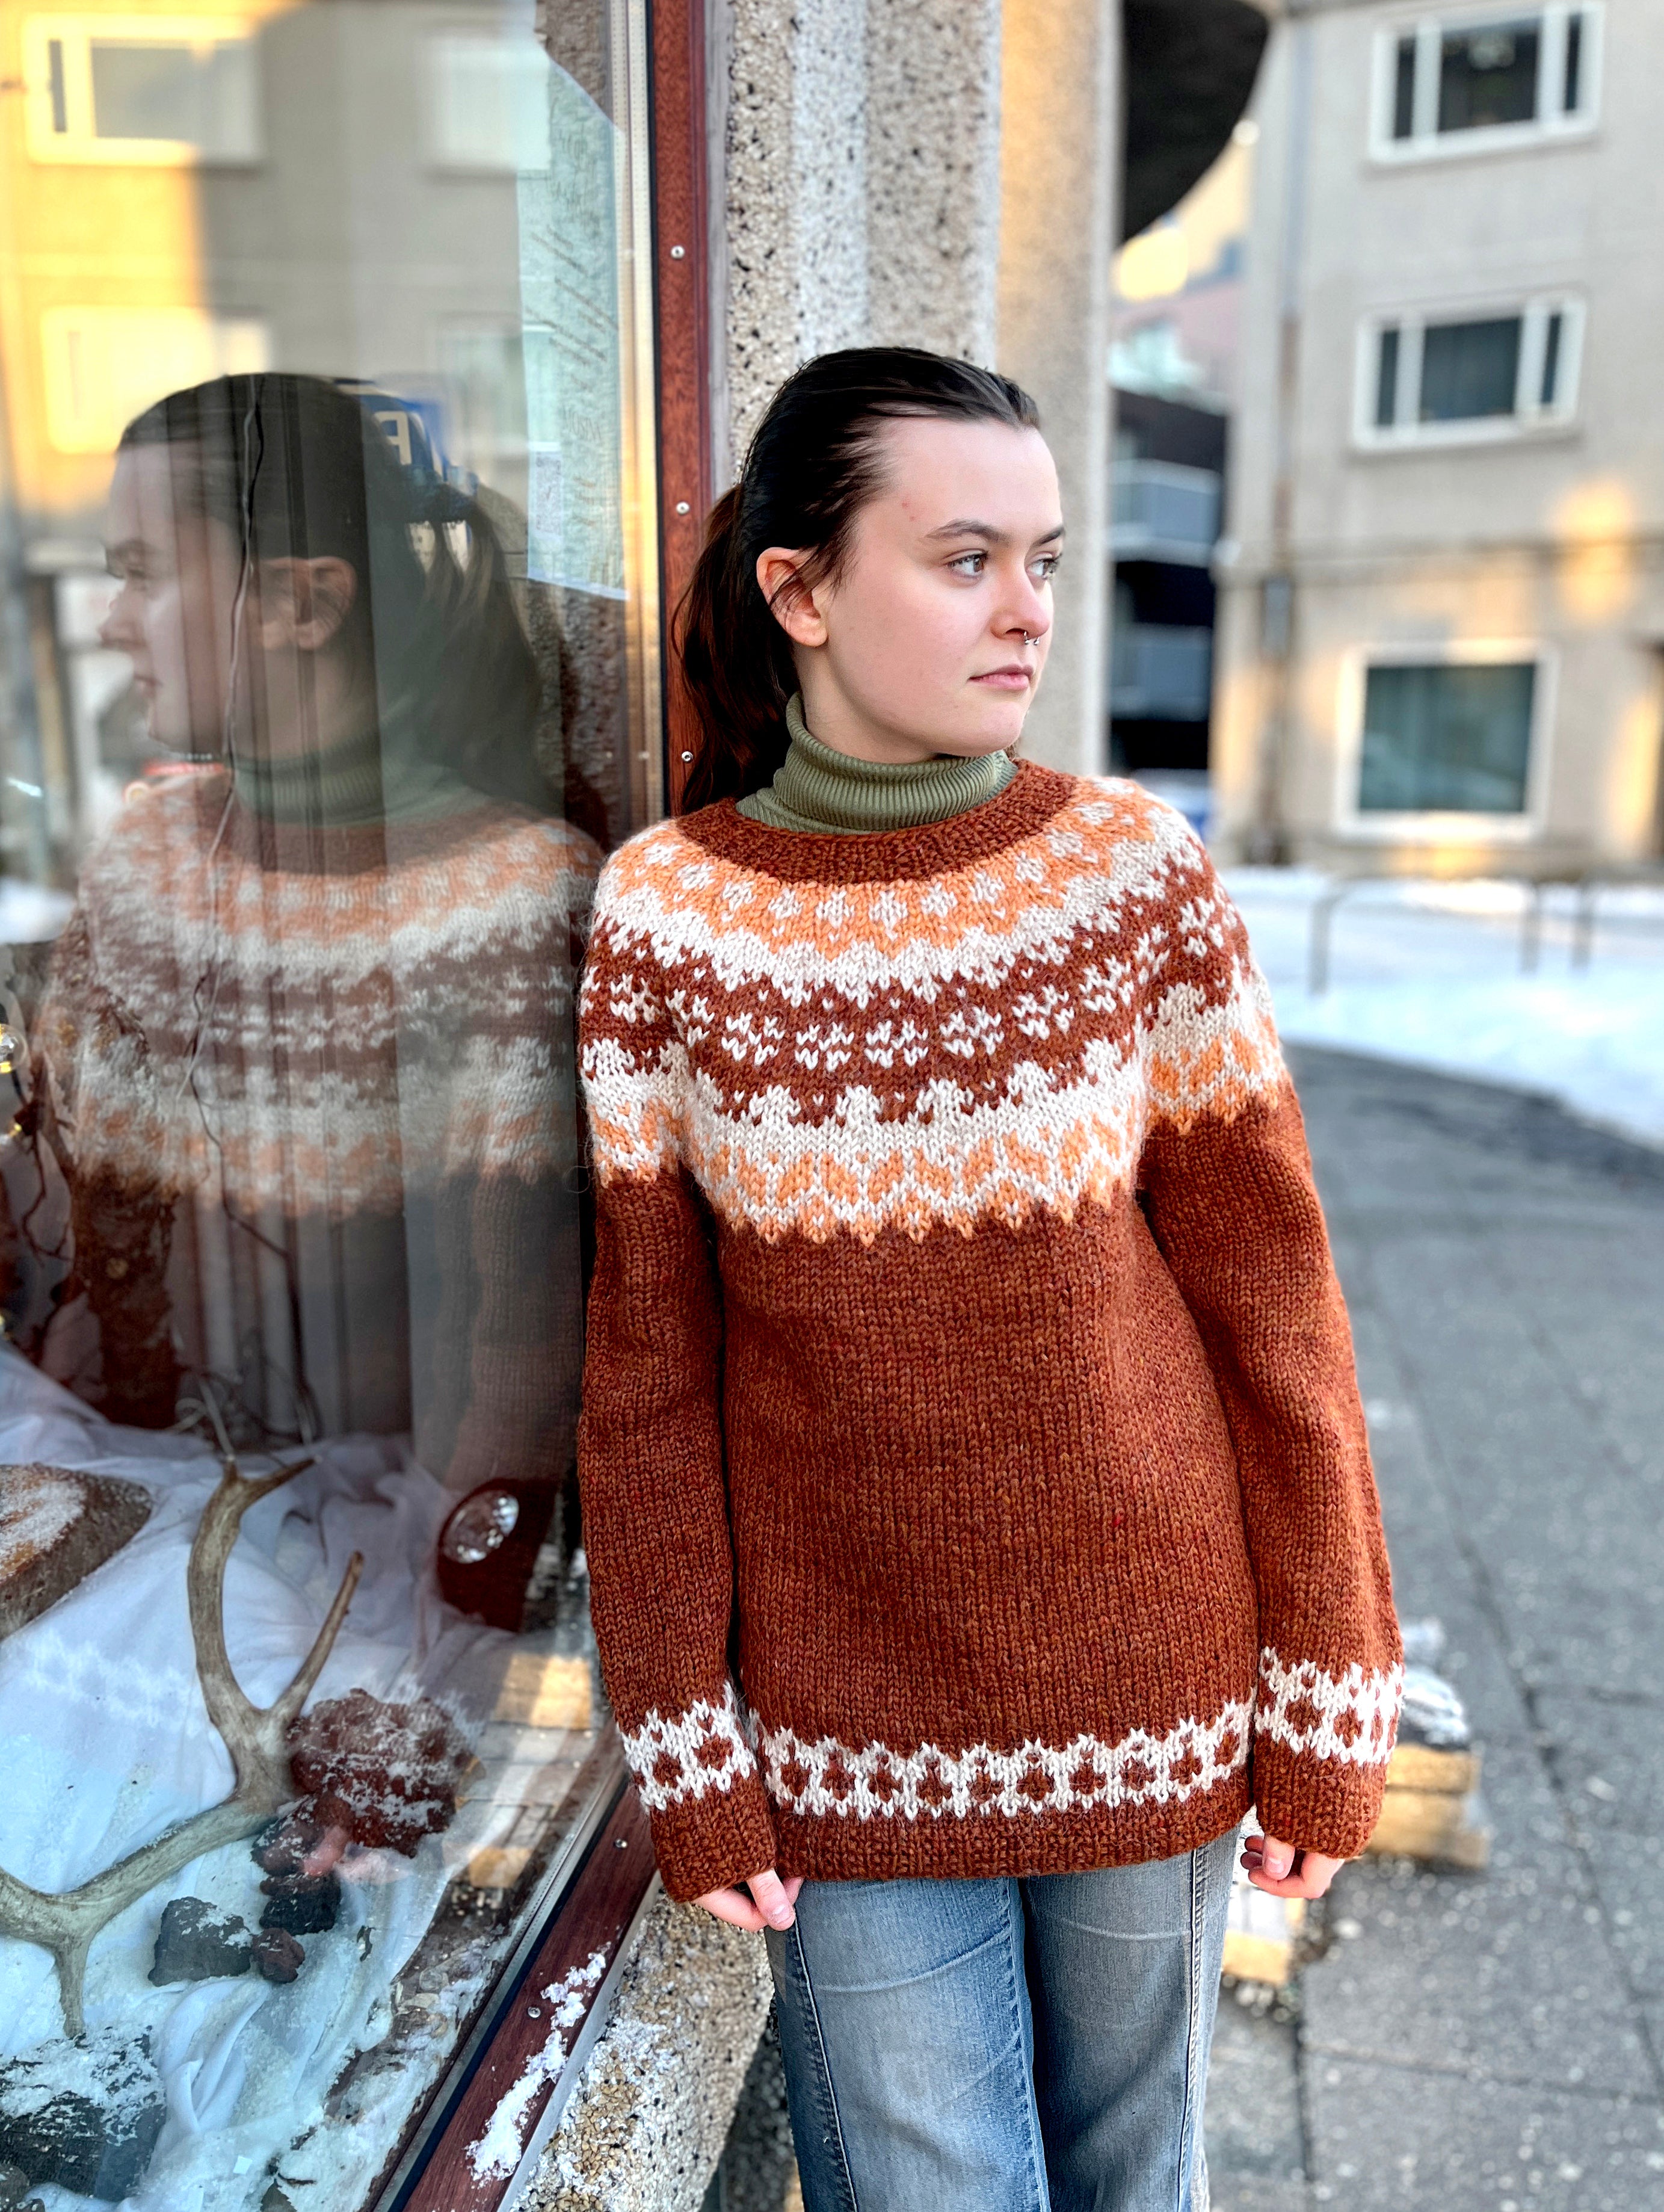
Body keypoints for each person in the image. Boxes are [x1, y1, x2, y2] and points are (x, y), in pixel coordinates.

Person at [575, 348, 1401, 2210]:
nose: (1025, 609)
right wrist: (680, 1732)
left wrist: (1329, 1678)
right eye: (961, 557)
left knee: (1133, 2167)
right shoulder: (665, 915)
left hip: (1154, 1665)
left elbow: (1273, 1306)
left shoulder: (1127, 876)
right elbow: (646, 1372)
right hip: (840, 1714)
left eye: (1040, 555)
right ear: (796, 588)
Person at [14, 373, 600, 1626]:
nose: (113, 621)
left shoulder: (504, 896)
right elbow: (81, 1220)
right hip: (116, 1495)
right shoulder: (148, 853)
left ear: (300, 601)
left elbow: (516, 1310)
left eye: (142, 572)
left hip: (363, 1558)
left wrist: (461, 1581)